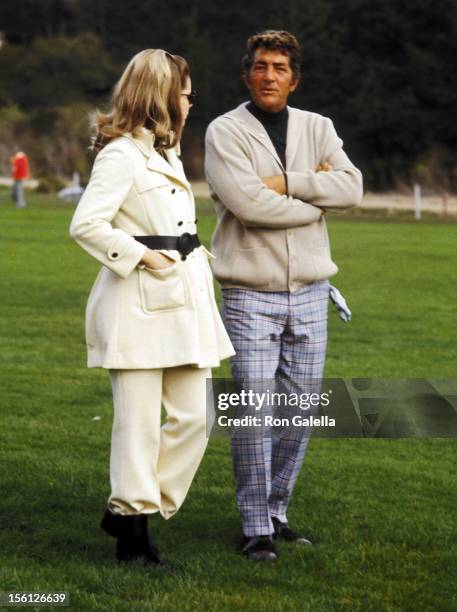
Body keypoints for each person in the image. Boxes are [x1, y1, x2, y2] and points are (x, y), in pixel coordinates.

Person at [70, 49, 234, 565]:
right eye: (186, 91)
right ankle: (132, 530)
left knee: (196, 415)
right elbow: (87, 224)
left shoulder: (166, 153)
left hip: (185, 302)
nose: (191, 100)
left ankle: (128, 511)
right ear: (163, 95)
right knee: (137, 424)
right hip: (137, 305)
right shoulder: (121, 155)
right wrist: (145, 257)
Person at [205, 30, 363, 561]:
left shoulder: (319, 128)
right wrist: (316, 200)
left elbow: (352, 187)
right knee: (253, 410)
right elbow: (248, 207)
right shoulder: (224, 132)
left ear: (294, 78)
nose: (268, 75)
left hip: (313, 291)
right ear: (246, 73)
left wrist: (287, 181)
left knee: (298, 411)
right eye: (259, 66)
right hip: (250, 293)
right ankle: (255, 528)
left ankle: (276, 512)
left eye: (278, 67)